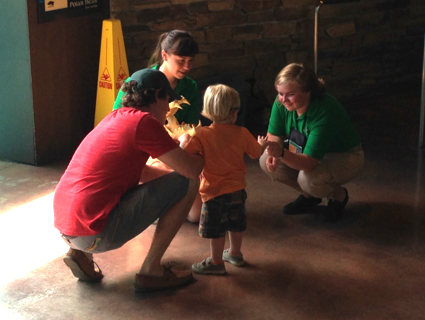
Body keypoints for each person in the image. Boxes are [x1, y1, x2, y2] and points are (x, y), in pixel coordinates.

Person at [54, 68, 204, 293]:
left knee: (176, 181)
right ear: (155, 96)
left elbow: (140, 172)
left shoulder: (114, 118)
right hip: (95, 233)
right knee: (190, 182)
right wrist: (197, 147)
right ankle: (151, 270)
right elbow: (191, 169)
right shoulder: (143, 122)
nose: (167, 109)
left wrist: (173, 181)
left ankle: (79, 253)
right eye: (167, 101)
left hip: (67, 227)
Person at [113, 30, 202, 223]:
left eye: (190, 60)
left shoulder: (190, 87)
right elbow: (117, 120)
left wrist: (186, 139)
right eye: (181, 60)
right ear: (165, 55)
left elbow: (191, 126)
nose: (187, 66)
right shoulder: (138, 81)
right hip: (146, 151)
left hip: (176, 148)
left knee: (196, 215)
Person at [180, 84, 268, 275]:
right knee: (236, 224)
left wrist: (184, 139)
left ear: (208, 111)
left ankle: (216, 262)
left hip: (213, 193)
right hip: (237, 190)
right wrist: (262, 144)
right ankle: (235, 254)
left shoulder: (202, 135)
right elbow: (255, 154)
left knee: (216, 229)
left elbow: (185, 154)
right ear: (235, 112)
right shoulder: (243, 133)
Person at [260, 63, 364, 222]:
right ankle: (310, 197)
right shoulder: (281, 102)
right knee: (264, 160)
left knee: (308, 178)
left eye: (290, 94)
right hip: (307, 151)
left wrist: (280, 152)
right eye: (280, 93)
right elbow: (274, 134)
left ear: (307, 91)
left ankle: (338, 196)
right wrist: (273, 152)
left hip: (343, 155)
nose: (283, 99)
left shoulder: (325, 112)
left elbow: (308, 163)